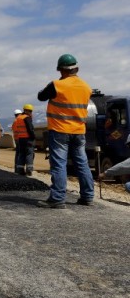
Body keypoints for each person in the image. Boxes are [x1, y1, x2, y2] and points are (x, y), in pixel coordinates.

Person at [37, 53, 94, 208]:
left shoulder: (57, 85)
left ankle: (57, 199)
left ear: (60, 70)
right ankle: (88, 197)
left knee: (59, 164)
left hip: (60, 130)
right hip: (79, 131)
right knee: (82, 163)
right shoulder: (86, 87)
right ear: (77, 69)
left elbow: (41, 96)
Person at [12, 104, 35, 176]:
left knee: (21, 154)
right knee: (29, 153)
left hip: (20, 139)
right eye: (30, 111)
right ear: (25, 110)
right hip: (27, 138)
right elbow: (30, 128)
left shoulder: (18, 118)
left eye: (31, 111)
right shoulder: (26, 118)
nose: (31, 112)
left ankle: (20, 170)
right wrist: (33, 137)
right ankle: (29, 169)